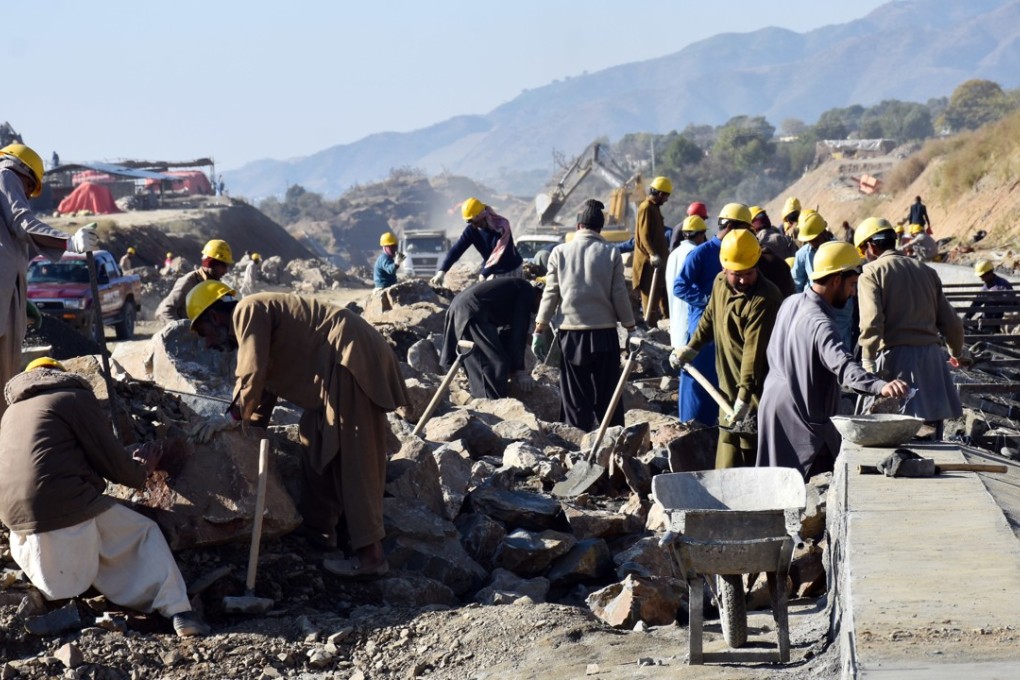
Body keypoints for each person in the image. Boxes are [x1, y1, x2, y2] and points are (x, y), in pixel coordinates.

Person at [186, 282, 408, 576]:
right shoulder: (257, 320)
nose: (207, 344)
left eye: (203, 333)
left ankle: (372, 557)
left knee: (356, 459)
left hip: (348, 360)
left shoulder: (246, 310)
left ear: (215, 317)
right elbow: (262, 385)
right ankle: (322, 539)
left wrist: (230, 417)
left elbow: (251, 372)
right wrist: (246, 432)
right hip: (333, 375)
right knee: (313, 441)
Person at [0, 357, 208, 637]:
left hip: (15, 520)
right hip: (63, 503)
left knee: (99, 525)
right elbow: (112, 463)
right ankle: (179, 611)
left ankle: (74, 594)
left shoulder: (11, 413)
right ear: (60, 375)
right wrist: (141, 471)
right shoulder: (73, 396)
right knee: (143, 532)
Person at [756, 243, 910, 478]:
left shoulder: (791, 303)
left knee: (775, 483)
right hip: (801, 414)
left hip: (772, 406)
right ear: (837, 280)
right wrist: (881, 386)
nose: (853, 293)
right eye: (851, 285)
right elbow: (844, 366)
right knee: (807, 491)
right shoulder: (821, 324)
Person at [670, 229, 783, 468]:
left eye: (749, 273)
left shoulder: (765, 298)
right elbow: (710, 317)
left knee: (752, 456)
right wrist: (691, 348)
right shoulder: (720, 283)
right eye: (737, 274)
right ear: (724, 269)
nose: (743, 280)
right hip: (727, 391)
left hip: (755, 395)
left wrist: (743, 399)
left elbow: (754, 353)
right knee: (727, 450)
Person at [1, 143, 97, 420]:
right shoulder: (6, 174)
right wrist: (70, 242)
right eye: (29, 189)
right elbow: (23, 221)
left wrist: (20, 297)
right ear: (26, 173)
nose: (27, 196)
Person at [854, 217, 968, 439]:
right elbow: (951, 323)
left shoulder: (870, 273)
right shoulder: (926, 271)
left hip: (899, 365)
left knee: (897, 438)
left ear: (871, 246)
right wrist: (957, 352)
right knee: (932, 437)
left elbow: (871, 322)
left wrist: (867, 364)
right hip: (933, 365)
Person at [533, 199, 637, 432]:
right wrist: (631, 329)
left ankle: (578, 442)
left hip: (571, 335)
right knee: (608, 391)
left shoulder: (559, 253)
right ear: (600, 228)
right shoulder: (611, 253)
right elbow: (620, 294)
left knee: (575, 394)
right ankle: (613, 441)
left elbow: (551, 293)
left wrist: (539, 328)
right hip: (605, 335)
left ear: (578, 225)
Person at [673, 203, 752, 425]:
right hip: (703, 329)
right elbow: (680, 286)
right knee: (698, 382)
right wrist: (709, 301)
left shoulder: (740, 251)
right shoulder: (702, 253)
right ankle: (692, 427)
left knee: (723, 380)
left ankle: (719, 426)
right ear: (731, 226)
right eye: (745, 229)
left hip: (730, 329)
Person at [440, 278, 537, 399]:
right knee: (491, 364)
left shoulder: (514, 291)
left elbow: (508, 334)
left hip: (466, 307)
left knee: (494, 362)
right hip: (473, 310)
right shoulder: (526, 291)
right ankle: (490, 406)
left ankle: (488, 401)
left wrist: (513, 368)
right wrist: (519, 370)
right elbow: (519, 331)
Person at [430, 198, 522, 286]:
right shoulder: (472, 230)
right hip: (492, 271)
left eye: (474, 221)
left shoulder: (500, 228)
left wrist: (484, 273)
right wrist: (442, 271)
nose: (473, 224)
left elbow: (500, 254)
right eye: (469, 222)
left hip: (511, 270)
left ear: (482, 216)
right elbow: (457, 250)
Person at [155, 239, 233, 322]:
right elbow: (166, 311)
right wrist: (183, 331)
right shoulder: (188, 282)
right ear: (210, 263)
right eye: (223, 266)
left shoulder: (216, 285)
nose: (225, 271)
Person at [632, 176, 672, 327]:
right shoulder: (646, 207)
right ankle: (650, 333)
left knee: (662, 300)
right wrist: (653, 254)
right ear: (661, 194)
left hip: (658, 266)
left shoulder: (654, 208)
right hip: (649, 267)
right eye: (666, 196)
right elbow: (644, 236)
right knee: (650, 303)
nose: (667, 200)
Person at [666, 215, 708, 348]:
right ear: (701, 234)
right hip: (689, 317)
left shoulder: (674, 253)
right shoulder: (695, 253)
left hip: (675, 314)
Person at [964, 260, 1016, 333]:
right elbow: (976, 303)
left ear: (990, 273)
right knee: (968, 330)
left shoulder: (1003, 286)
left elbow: (1010, 307)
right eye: (980, 276)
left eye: (982, 276)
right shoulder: (986, 285)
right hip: (986, 319)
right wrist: (966, 317)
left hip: (997, 323)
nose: (981, 278)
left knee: (984, 336)